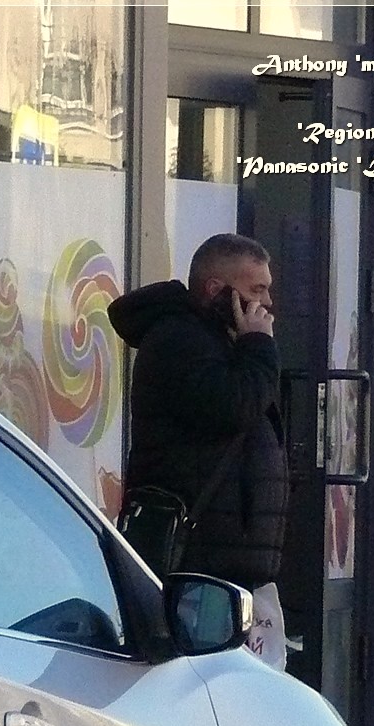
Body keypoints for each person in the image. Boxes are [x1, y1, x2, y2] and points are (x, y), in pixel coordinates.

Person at [108, 233, 288, 592]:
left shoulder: (220, 341)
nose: (267, 303)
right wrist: (259, 345)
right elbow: (234, 406)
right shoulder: (179, 340)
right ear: (216, 289)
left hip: (226, 560)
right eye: (257, 289)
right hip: (197, 561)